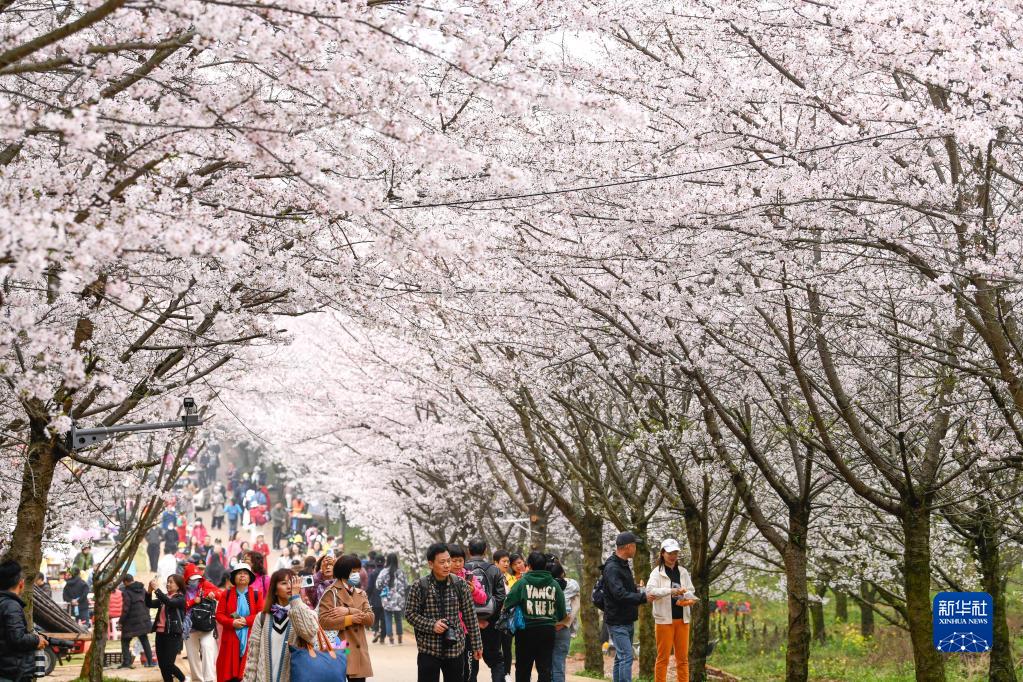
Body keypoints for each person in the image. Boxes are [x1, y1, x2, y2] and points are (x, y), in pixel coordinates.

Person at [405, 543, 483, 682]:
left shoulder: (460, 584)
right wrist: (431, 625)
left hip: (455, 649)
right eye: (442, 562)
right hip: (428, 649)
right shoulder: (420, 586)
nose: (447, 565)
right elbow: (410, 614)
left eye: (448, 561)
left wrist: (477, 644)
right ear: (430, 564)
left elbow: (470, 615)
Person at [241, 569, 318, 682]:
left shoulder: (307, 613)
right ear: (275, 590)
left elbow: (310, 634)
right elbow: (253, 657)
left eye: (292, 582)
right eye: (284, 583)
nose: (289, 586)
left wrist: (296, 600)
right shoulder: (262, 617)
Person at [503, 552, 565, 682]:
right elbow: (562, 612)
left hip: (525, 631)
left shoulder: (521, 583)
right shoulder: (554, 584)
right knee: (545, 669)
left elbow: (508, 603)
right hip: (547, 630)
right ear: (544, 566)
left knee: (523, 668)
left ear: (529, 566)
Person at [603, 532, 654, 682]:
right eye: (635, 545)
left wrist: (637, 589)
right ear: (628, 547)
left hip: (626, 619)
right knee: (626, 656)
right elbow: (619, 594)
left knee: (620, 657)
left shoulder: (622, 564)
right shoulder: (612, 567)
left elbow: (622, 589)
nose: (636, 548)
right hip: (617, 620)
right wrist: (643, 597)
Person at [647, 539, 697, 682]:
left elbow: (691, 590)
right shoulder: (657, 573)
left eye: (675, 552)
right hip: (664, 621)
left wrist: (689, 600)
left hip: (683, 620)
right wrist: (671, 591)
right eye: (669, 553)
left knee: (683, 659)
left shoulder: (683, 572)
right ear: (662, 554)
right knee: (663, 659)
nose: (673, 556)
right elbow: (650, 591)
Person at [318, 554, 374, 681]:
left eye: (358, 571)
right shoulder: (331, 593)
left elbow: (370, 619)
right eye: (354, 572)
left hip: (359, 654)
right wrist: (351, 619)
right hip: (340, 650)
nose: (357, 575)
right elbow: (324, 621)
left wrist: (349, 611)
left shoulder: (361, 593)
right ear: (344, 571)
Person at [216, 563, 266, 682]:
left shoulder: (256, 594)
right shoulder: (226, 594)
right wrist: (231, 622)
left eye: (245, 573)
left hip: (250, 637)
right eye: (239, 573)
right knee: (229, 672)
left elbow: (262, 614)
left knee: (247, 671)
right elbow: (219, 615)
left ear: (250, 578)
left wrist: (247, 620)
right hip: (230, 638)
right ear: (234, 578)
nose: (242, 576)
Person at [465, 539, 506, 682]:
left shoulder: (462, 570)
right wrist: (488, 619)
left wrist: (474, 620)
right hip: (491, 625)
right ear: (485, 551)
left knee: (470, 661)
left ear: (468, 551)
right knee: (496, 660)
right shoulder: (494, 570)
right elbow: (501, 597)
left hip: (467, 625)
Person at [0, 560, 47, 682]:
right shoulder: (11, 606)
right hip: (11, 673)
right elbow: (17, 638)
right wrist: (37, 639)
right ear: (21, 583)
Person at [184, 563, 223, 682]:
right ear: (186, 579)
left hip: (206, 624)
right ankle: (197, 680)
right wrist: (193, 602)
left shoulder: (205, 584)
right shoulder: (181, 589)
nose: (195, 581)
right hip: (189, 626)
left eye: (197, 578)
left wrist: (212, 594)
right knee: (192, 655)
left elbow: (220, 594)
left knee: (207, 648)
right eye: (192, 579)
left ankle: (209, 679)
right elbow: (178, 605)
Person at [146, 574, 187, 682]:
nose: (168, 584)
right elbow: (149, 603)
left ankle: (183, 679)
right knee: (162, 665)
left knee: (168, 664)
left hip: (173, 635)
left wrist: (156, 589)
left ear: (178, 586)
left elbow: (169, 602)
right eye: (168, 582)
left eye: (171, 582)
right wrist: (149, 591)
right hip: (160, 634)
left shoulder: (180, 599)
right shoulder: (164, 597)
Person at [549, 559, 579, 682]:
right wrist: (566, 623)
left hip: (544, 628)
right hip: (562, 627)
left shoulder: (543, 586)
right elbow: (575, 607)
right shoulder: (572, 585)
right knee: (559, 664)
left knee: (545, 665)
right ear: (562, 573)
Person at [118, 575, 155, 668]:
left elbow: (126, 608)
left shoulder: (126, 592)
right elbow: (148, 602)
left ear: (125, 582)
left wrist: (121, 621)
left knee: (125, 640)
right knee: (144, 640)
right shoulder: (142, 589)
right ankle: (150, 662)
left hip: (131, 621)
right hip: (143, 619)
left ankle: (126, 663)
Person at [376, 553, 408, 646]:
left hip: (387, 599)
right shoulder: (401, 572)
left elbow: (378, 585)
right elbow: (406, 585)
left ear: (388, 560)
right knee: (398, 619)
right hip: (399, 599)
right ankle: (400, 639)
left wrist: (384, 587)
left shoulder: (383, 572)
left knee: (388, 619)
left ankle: (391, 639)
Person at [493, 550, 514, 680]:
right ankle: (498, 675)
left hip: (507, 618)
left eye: (508, 562)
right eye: (503, 561)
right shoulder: (491, 577)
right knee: (496, 648)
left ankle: (507, 674)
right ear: (496, 563)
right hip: (495, 618)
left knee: (507, 647)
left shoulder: (511, 579)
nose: (506, 564)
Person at [366, 558, 385, 643]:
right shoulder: (386, 573)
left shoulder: (372, 573)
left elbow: (370, 587)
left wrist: (367, 596)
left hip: (375, 598)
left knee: (375, 617)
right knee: (384, 618)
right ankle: (382, 637)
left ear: (375, 563)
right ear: (384, 563)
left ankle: (376, 631)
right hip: (385, 599)